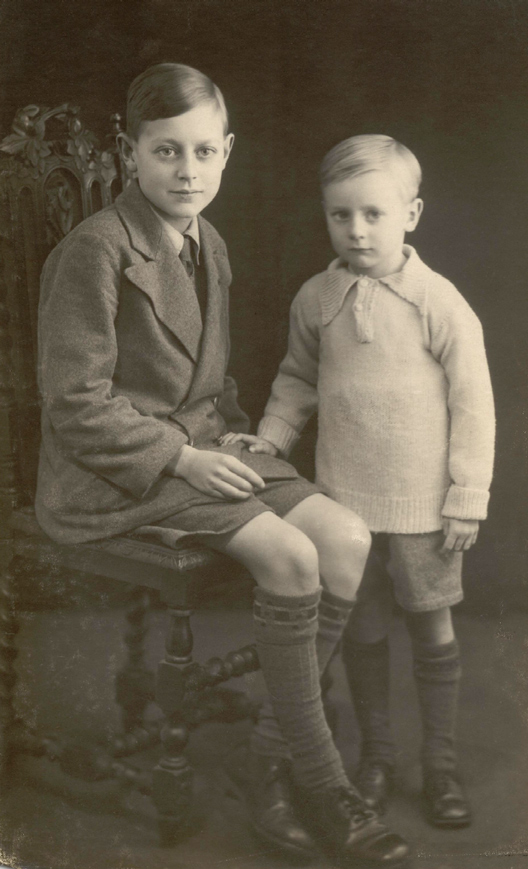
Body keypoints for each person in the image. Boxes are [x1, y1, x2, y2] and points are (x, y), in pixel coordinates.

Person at [35, 69, 409, 866]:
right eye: (166, 150)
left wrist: (237, 440)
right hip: (113, 470)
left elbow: (211, 384)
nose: (187, 169)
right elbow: (74, 403)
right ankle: (317, 779)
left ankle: (268, 756)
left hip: (202, 445)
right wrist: (184, 458)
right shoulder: (95, 250)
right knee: (289, 552)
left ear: (228, 151)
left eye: (205, 150)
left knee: (343, 536)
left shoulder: (212, 244)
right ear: (129, 150)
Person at [225, 134, 495, 829]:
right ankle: (377, 756)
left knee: (432, 628)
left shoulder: (438, 301)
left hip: (424, 511)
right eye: (340, 215)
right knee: (364, 631)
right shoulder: (318, 298)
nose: (357, 230)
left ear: (412, 212)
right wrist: (273, 438)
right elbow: (297, 378)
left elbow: (474, 402)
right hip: (344, 507)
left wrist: (466, 496)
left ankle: (440, 765)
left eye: (374, 213)